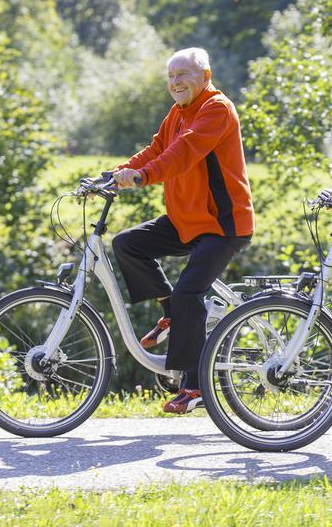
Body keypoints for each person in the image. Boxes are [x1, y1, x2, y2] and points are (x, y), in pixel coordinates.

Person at [110, 47, 254, 413]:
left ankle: (195, 386)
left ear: (205, 77)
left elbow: (183, 153)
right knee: (128, 244)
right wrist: (116, 173)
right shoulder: (177, 112)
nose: (176, 82)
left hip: (222, 225)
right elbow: (157, 148)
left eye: (184, 75)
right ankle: (169, 310)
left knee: (190, 294)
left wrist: (142, 177)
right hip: (186, 221)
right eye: (171, 77)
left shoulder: (216, 108)